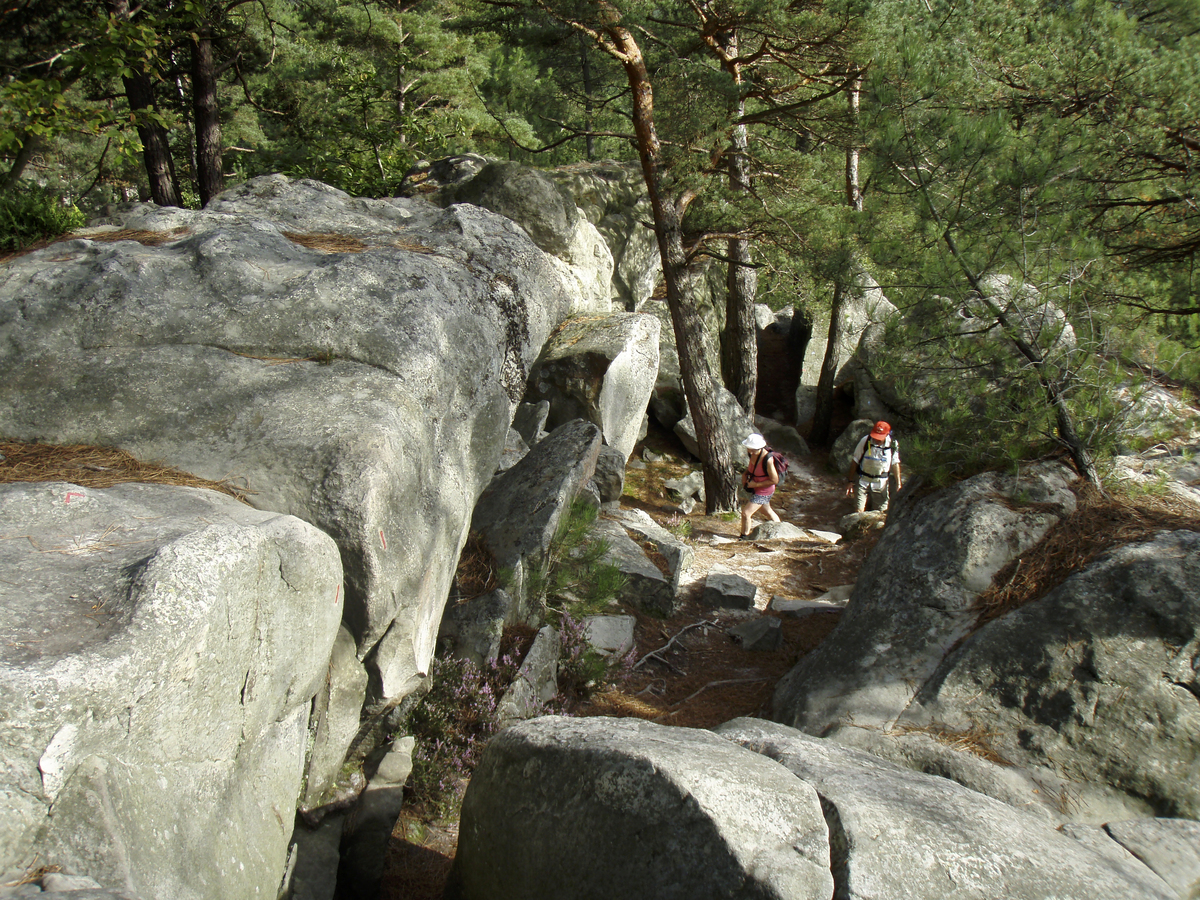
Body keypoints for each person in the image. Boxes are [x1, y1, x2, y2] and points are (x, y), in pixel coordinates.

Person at [845, 421, 902, 513]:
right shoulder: (865, 440)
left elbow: (895, 463)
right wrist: (850, 481)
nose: (877, 440)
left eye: (880, 438)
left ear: (887, 434)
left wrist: (898, 483)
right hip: (863, 481)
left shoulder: (892, 445)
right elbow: (855, 460)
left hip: (881, 484)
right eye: (875, 436)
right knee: (858, 512)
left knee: (881, 513)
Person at [740, 433, 781, 538]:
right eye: (749, 448)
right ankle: (780, 528)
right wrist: (745, 475)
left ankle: (744, 537)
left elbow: (774, 480)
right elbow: (751, 469)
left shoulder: (768, 459)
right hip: (757, 488)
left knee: (746, 513)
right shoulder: (752, 454)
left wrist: (756, 484)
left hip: (764, 490)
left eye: (752, 449)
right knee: (766, 510)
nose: (750, 451)